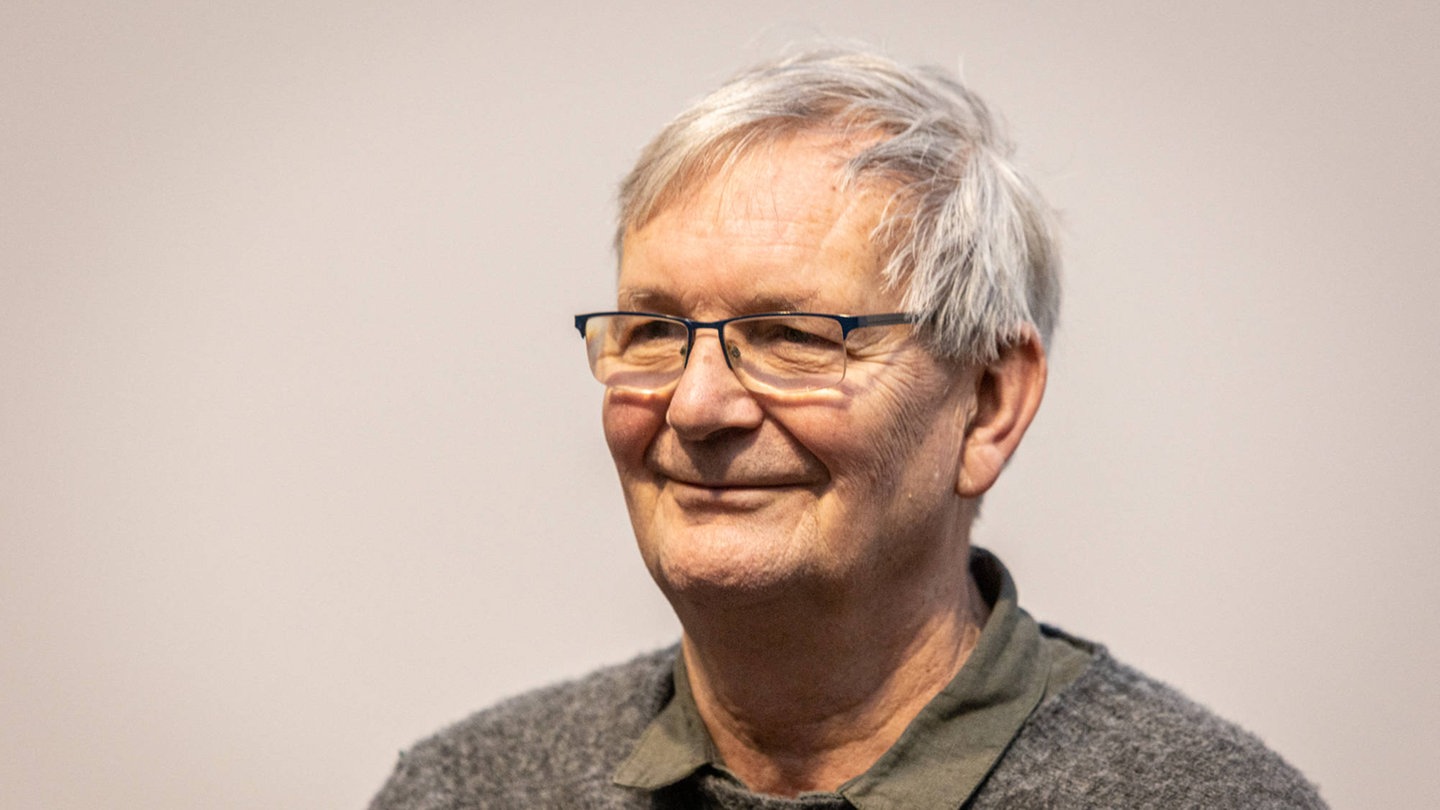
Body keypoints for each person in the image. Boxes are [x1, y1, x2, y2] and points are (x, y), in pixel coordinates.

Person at [370, 48, 1325, 809]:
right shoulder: (469, 790)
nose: (697, 407)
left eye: (793, 337)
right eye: (655, 332)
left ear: (989, 402)